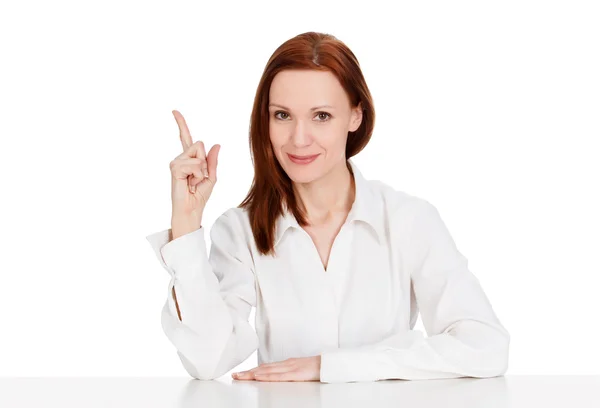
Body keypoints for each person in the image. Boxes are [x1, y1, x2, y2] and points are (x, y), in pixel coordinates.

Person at [145, 31, 510, 384]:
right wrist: (186, 224)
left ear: (356, 116)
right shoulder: (240, 230)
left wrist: (330, 367)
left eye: (321, 116)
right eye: (282, 115)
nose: (298, 139)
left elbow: (486, 345)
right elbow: (208, 359)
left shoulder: (408, 219)